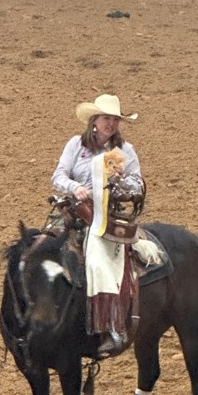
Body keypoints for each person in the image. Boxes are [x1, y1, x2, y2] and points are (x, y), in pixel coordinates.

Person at [51, 94, 145, 357]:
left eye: (115, 119)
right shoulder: (75, 145)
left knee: (103, 261)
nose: (111, 124)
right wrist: (76, 187)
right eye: (107, 118)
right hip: (73, 211)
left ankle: (112, 323)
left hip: (106, 217)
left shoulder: (125, 152)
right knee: (42, 248)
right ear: (94, 120)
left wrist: (118, 183)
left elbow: (137, 185)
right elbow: (58, 176)